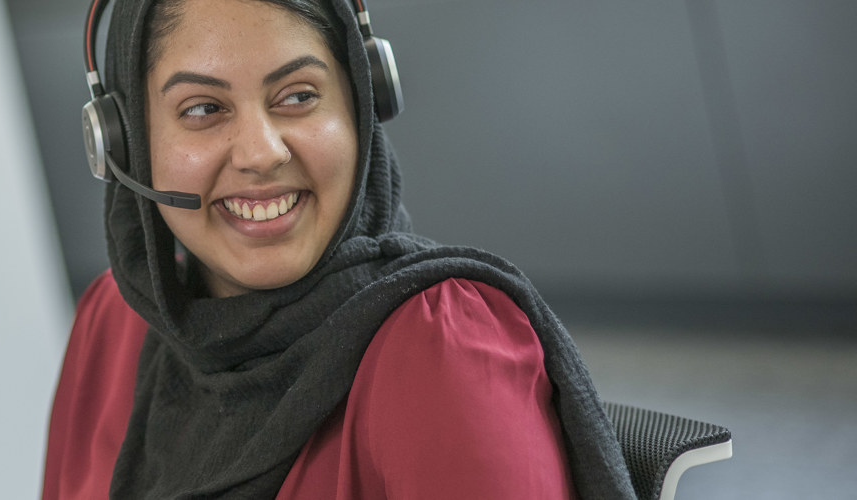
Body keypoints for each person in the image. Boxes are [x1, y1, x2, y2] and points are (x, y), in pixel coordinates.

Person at [44, 0, 637, 498]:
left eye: (298, 96)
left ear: (362, 105)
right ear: (124, 144)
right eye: (203, 109)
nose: (262, 152)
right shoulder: (114, 322)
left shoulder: (441, 345)